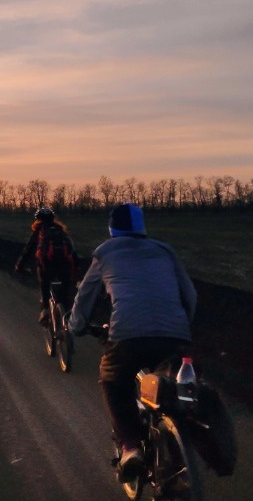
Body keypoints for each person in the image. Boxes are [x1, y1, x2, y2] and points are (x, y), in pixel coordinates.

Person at [66, 203, 197, 478]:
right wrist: (181, 326)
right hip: (174, 335)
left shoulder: (104, 253)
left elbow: (86, 297)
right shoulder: (164, 250)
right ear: (142, 227)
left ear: (112, 228)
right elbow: (190, 295)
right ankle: (177, 450)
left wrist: (76, 326)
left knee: (113, 380)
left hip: (128, 334)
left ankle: (130, 446)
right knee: (168, 385)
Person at [12, 206, 77, 328]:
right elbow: (72, 252)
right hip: (65, 266)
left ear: (38, 220)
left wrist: (19, 266)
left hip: (47, 266)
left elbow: (28, 250)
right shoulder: (61, 232)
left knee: (45, 285)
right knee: (64, 293)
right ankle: (66, 317)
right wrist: (76, 269)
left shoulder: (39, 232)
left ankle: (45, 310)